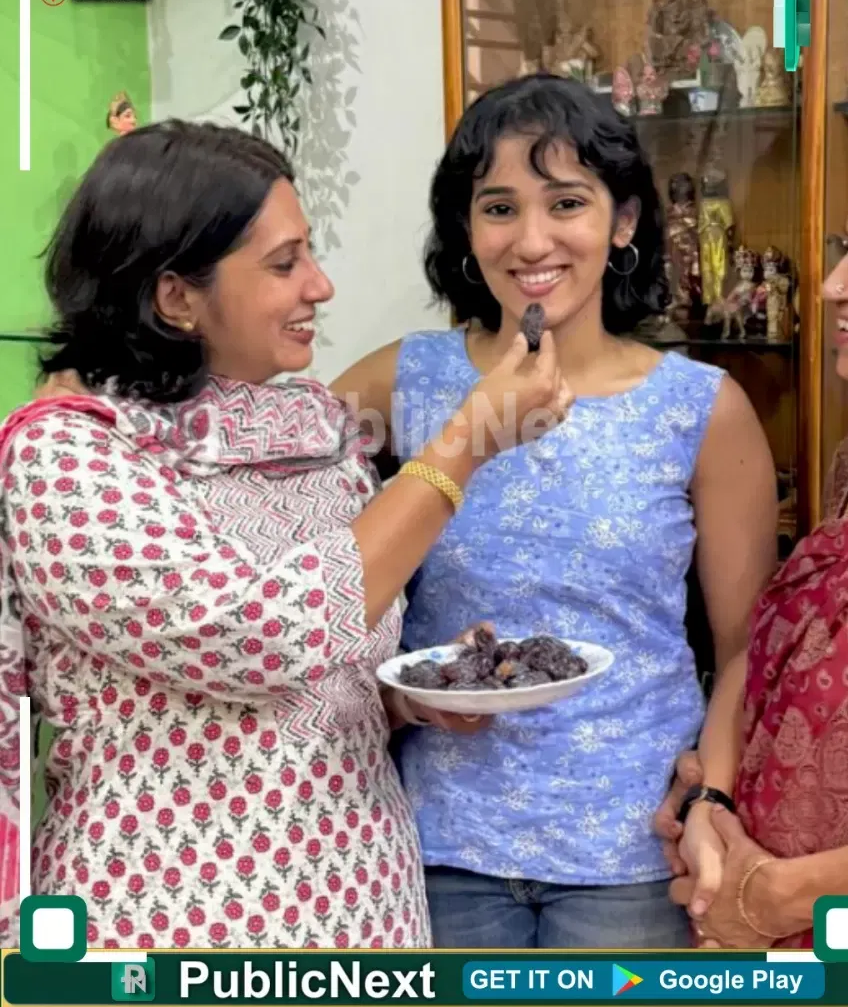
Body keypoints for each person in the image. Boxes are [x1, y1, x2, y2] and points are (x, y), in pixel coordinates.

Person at [0, 121, 571, 951]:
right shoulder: (69, 455)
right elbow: (258, 636)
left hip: (366, 910)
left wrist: (414, 695)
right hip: (173, 927)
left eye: (311, 254)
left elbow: (328, 672)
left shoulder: (315, 429)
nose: (321, 285)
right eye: (284, 264)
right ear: (176, 298)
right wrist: (464, 444)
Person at [332, 74, 778, 949]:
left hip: (633, 851)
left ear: (624, 221)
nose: (532, 240)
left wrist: (712, 796)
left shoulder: (701, 408)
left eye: (566, 202)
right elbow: (292, 545)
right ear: (467, 228)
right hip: (434, 843)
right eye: (499, 208)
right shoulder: (402, 381)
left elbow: (743, 653)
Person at [655, 155, 848, 950]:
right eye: (844, 249)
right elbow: (773, 662)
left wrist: (776, 897)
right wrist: (713, 806)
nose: (831, 285)